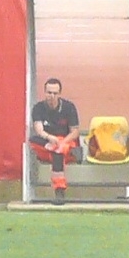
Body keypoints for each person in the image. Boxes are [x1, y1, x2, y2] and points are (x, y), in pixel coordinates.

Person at [28, 76, 79, 204]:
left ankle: (59, 191)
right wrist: (50, 138)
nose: (52, 96)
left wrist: (61, 142)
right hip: (46, 145)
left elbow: (75, 132)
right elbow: (39, 130)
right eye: (49, 93)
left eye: (55, 93)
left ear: (59, 94)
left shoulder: (69, 107)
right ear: (45, 92)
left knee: (58, 152)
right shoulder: (38, 108)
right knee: (33, 139)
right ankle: (55, 148)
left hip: (65, 144)